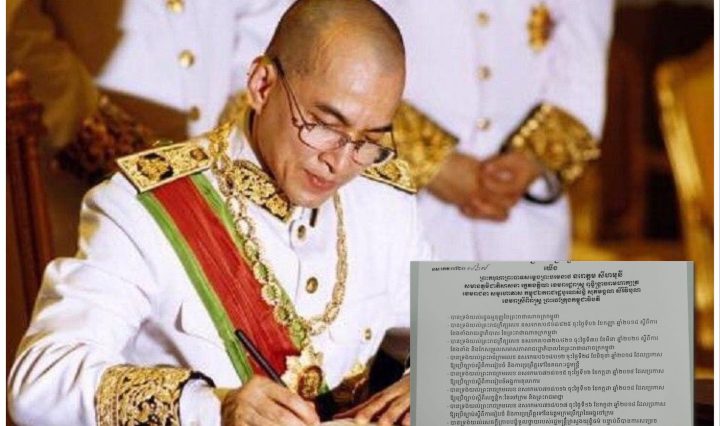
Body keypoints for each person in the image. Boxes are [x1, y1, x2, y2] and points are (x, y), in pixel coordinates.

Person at [8, 1, 429, 425]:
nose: (339, 163)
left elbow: (468, 328)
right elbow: (39, 383)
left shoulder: (383, 200)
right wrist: (212, 408)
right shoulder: (140, 207)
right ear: (262, 85)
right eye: (323, 126)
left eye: (368, 141)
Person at [377, 1, 614, 261]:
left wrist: (534, 158)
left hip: (524, 210)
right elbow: (347, 50)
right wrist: (428, 159)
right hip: (397, 193)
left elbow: (583, 61)